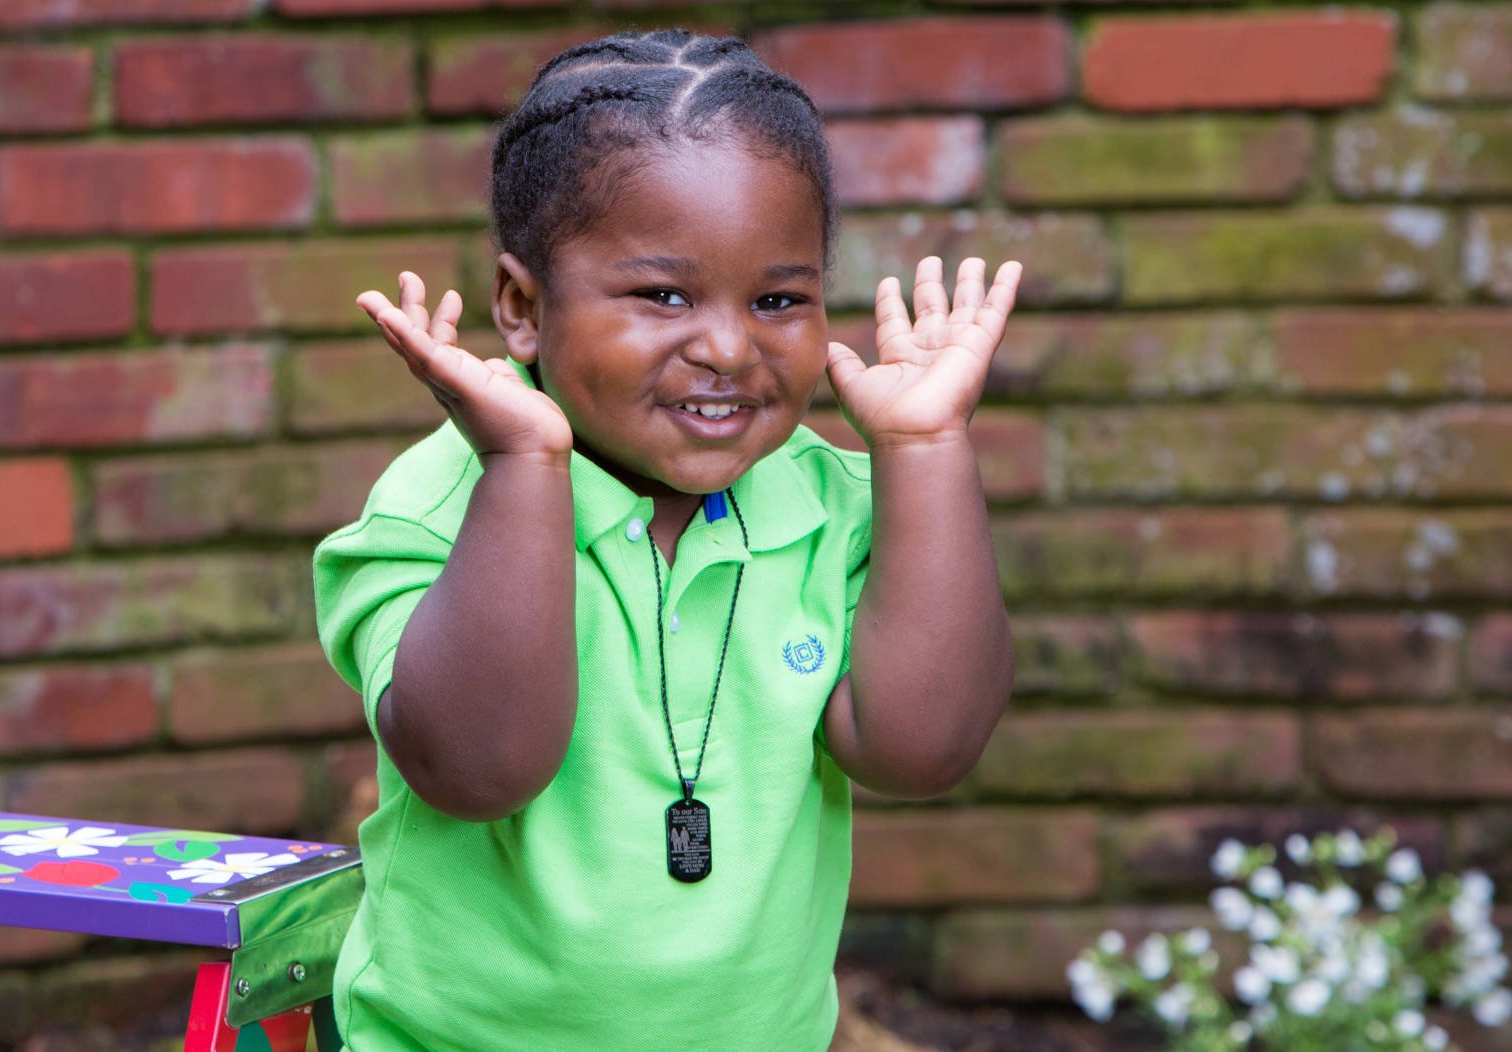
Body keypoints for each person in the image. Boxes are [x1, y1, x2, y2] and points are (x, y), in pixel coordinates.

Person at [313, 27, 1018, 1050]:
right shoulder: (437, 503)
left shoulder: (830, 504)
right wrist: (520, 470)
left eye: (777, 298)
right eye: (663, 295)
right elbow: (475, 766)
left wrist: (925, 449)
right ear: (520, 306)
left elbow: (922, 748)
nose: (728, 346)